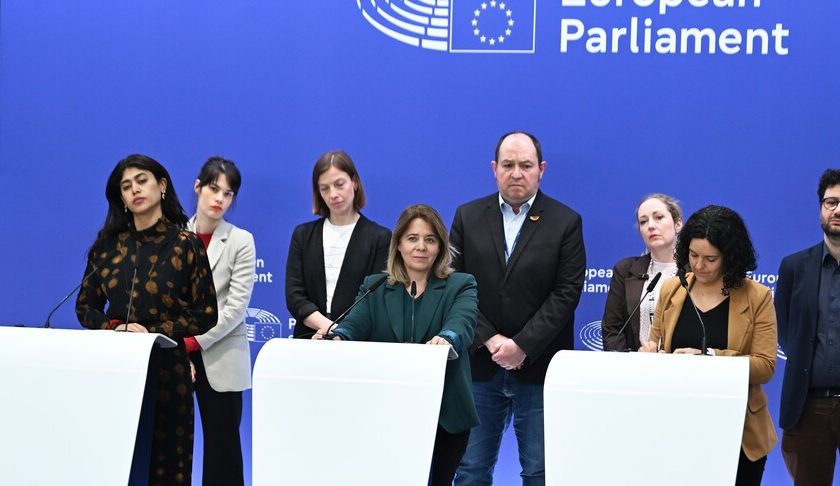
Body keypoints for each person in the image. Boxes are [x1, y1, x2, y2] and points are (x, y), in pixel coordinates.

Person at [452, 131, 586, 486]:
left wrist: (522, 345)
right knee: (471, 470)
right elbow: (455, 288)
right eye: (508, 165)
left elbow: (566, 293)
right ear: (494, 168)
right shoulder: (467, 217)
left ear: (541, 169)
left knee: (541, 472)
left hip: (540, 368)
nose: (516, 173)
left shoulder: (566, 222)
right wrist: (490, 339)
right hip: (479, 366)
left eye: (525, 165)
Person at [76, 154, 217, 485]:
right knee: (116, 462)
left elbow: (206, 313)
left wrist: (153, 333)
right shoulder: (108, 247)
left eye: (142, 181)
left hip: (168, 372)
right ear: (121, 198)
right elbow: (85, 306)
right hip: (116, 370)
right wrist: (115, 327)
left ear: (162, 185)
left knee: (166, 466)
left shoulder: (186, 244)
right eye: (126, 186)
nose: (135, 190)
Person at [317, 204, 479, 485]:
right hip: (386, 411)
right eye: (412, 238)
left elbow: (461, 323)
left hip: (445, 413)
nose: (421, 247)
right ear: (399, 245)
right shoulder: (376, 286)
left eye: (430, 239)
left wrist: (446, 338)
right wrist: (337, 337)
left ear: (441, 246)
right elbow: (354, 325)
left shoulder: (461, 285)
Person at [640, 205, 777, 486]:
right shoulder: (672, 289)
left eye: (710, 259)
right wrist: (651, 354)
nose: (699, 266)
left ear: (730, 256)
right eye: (693, 255)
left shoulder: (757, 297)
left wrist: (709, 357)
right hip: (676, 426)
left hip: (737, 432)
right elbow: (657, 345)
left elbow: (764, 366)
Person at [186, 157, 255, 486]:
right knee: (170, 443)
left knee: (223, 447)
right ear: (197, 187)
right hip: (176, 352)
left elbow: (235, 308)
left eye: (228, 194)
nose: (220, 199)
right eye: (214, 189)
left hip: (221, 353)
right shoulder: (173, 235)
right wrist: (178, 348)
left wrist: (193, 342)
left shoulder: (241, 240)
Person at [776, 168, 840, 485]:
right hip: (808, 406)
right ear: (820, 208)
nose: (837, 210)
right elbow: (784, 329)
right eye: (831, 202)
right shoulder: (794, 267)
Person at [285, 150, 390, 338]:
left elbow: (374, 299)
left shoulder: (380, 238)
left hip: (357, 341)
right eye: (325, 188)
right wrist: (328, 328)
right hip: (309, 338)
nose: (333, 194)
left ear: (354, 183)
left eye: (339, 184)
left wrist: (343, 333)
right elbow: (295, 296)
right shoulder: (303, 235)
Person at [601, 194, 683, 351]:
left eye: (659, 217)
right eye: (643, 221)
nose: (650, 226)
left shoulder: (695, 271)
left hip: (682, 362)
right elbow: (612, 329)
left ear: (678, 223)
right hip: (634, 363)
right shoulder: (625, 270)